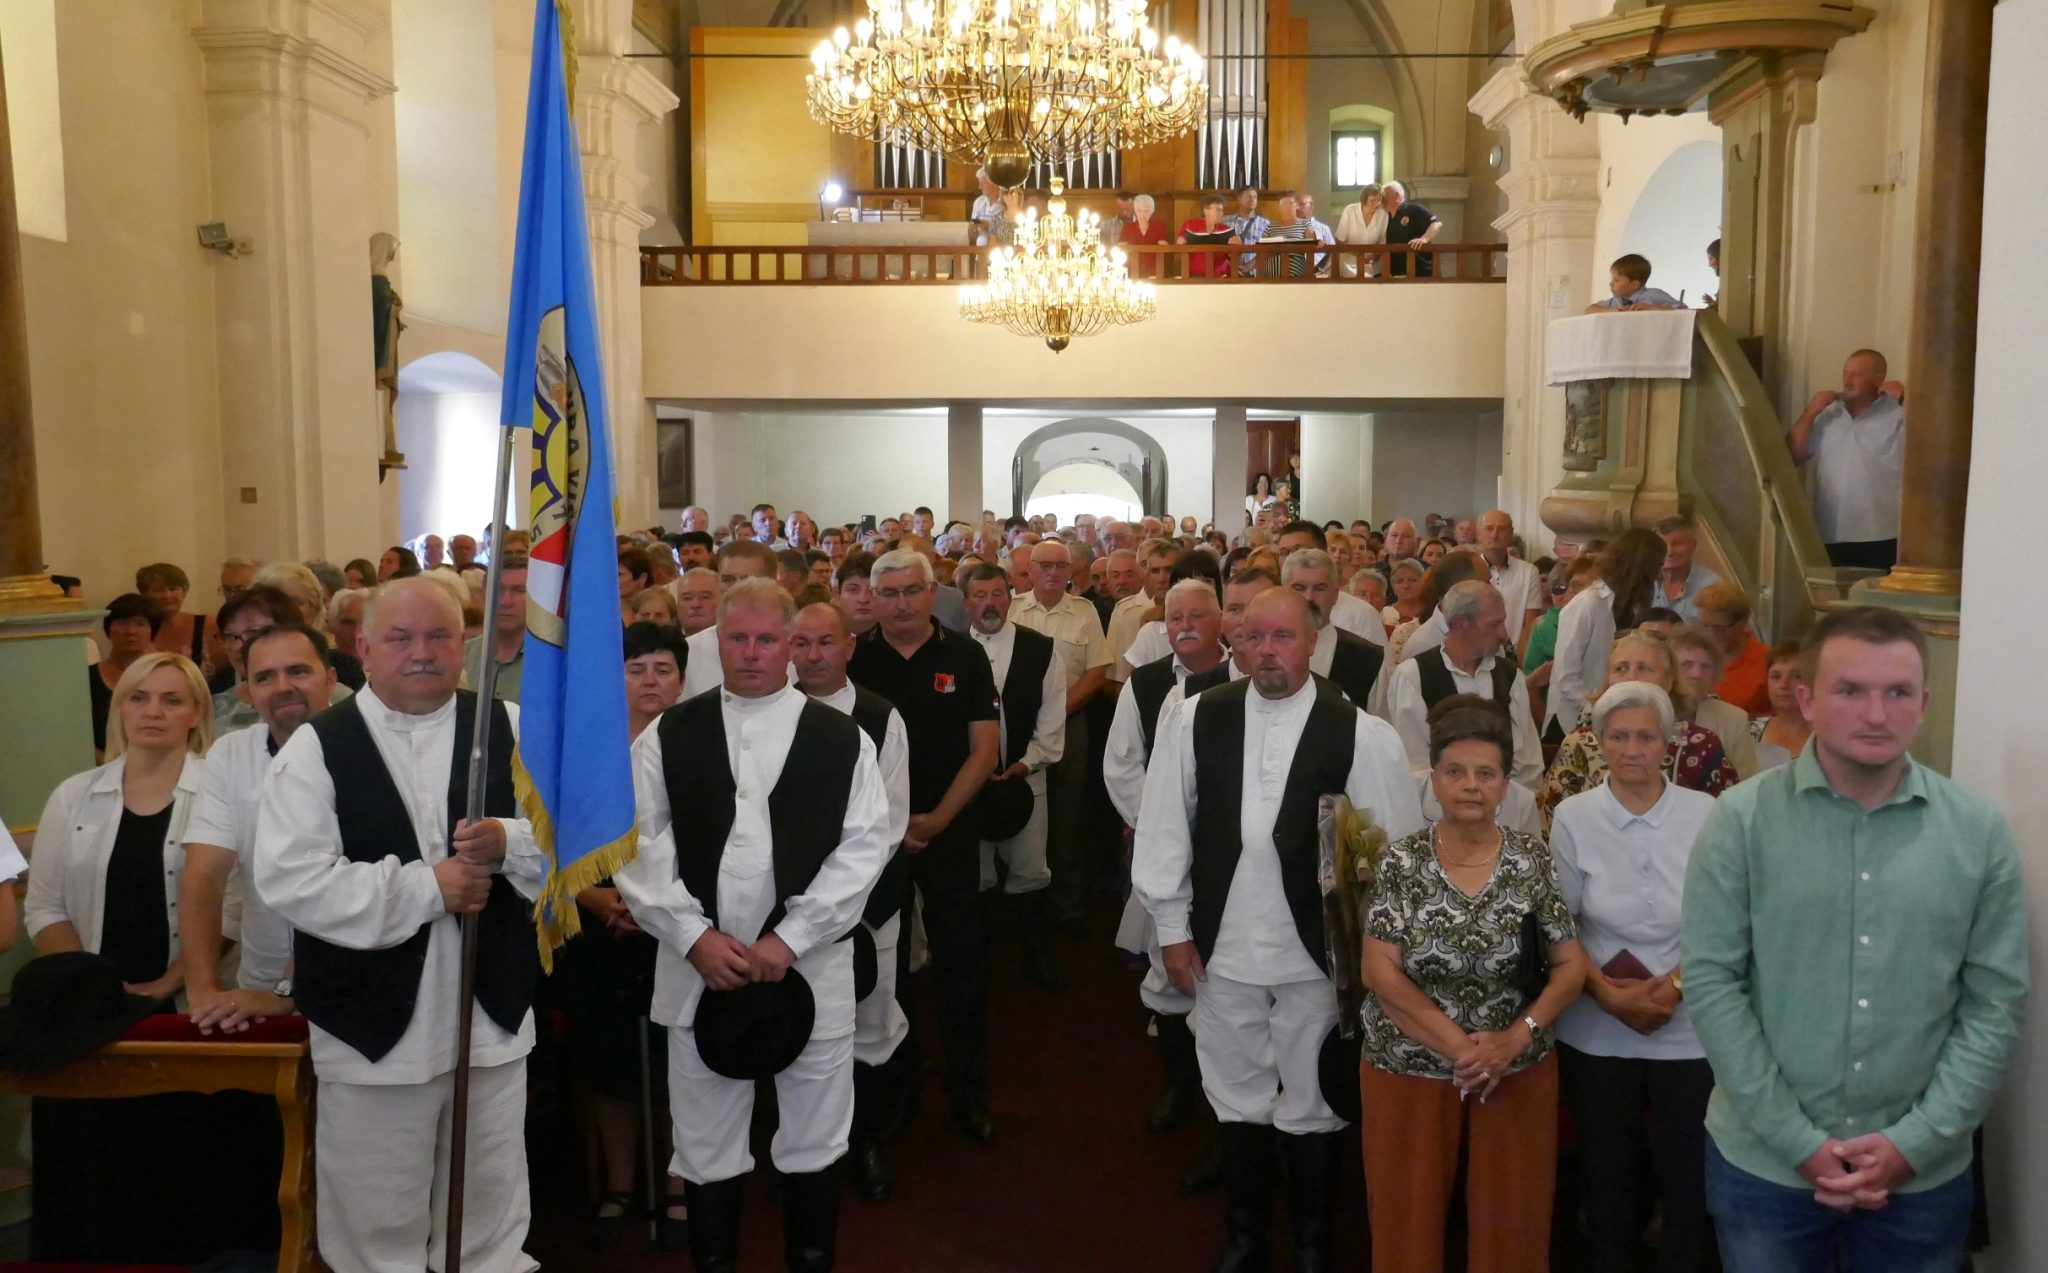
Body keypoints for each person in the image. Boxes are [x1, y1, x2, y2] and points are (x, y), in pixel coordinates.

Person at [1684, 607, 2027, 1272]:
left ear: (1924, 703)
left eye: (1898, 692)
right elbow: (1712, 983)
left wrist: (1915, 1143)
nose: (1876, 713)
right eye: (1850, 690)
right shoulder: (1741, 822)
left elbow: (1995, 1003)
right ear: (1806, 699)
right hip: (1765, 1168)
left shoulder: (1977, 832)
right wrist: (1797, 1141)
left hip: (1921, 1177)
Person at [255, 577, 544, 1273]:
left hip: (490, 1017)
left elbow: (574, 840)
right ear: (363, 649)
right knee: (375, 1224)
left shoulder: (509, 726)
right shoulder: (315, 748)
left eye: (438, 636)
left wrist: (509, 840)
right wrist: (427, 888)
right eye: (401, 638)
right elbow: (293, 878)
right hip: (371, 1027)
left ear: (463, 644)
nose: (422, 652)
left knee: (488, 1215)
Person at [1133, 587, 1423, 1270]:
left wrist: (1379, 955)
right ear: (1236, 643)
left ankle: (1314, 1244)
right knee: (1237, 1090)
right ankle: (1245, 1239)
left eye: (1283, 637)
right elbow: (1165, 825)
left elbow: (1396, 853)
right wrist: (1171, 927)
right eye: (1254, 637)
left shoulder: (1359, 731)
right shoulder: (1196, 716)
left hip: (1319, 953)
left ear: (1312, 642)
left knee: (1314, 1092)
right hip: (1222, 942)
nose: (1267, 651)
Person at [614, 580, 890, 1272]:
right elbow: (639, 844)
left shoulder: (843, 737)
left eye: (768, 639)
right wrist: (693, 936)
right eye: (738, 638)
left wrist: (791, 938)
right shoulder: (669, 734)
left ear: (790, 644)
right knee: (705, 1141)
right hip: (697, 968)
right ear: (718, 642)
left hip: (811, 967)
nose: (752, 652)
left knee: (815, 1137)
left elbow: (864, 848)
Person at [1357, 693, 1586, 1273]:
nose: (1470, 786)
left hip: (1513, 1063)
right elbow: (1378, 970)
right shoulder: (1401, 861)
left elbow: (1570, 967)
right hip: (1408, 1061)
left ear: (1506, 785)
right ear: (1434, 780)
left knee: (1514, 1220)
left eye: (1486, 774)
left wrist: (1514, 1038)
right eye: (1455, 772)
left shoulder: (1531, 860)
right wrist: (1464, 1049)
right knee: (1406, 1221)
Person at [1551, 681, 1716, 1273]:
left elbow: (1725, 921)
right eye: (1618, 736)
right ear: (1598, 742)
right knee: (1607, 1178)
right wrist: (1606, 995)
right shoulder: (1573, 817)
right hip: (1597, 1025)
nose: (1632, 749)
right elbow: (1559, 924)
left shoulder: (1706, 814)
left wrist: (1674, 987)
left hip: (1689, 1024)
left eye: (1646, 737)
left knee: (1687, 1178)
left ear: (1668, 743)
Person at [848, 549, 1003, 1142]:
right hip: (873, 841)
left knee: (961, 964)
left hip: (949, 828)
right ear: (872, 598)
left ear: (933, 592)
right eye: (888, 594)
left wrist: (935, 821)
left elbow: (984, 751)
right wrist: (892, 828)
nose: (901, 604)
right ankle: (899, 1083)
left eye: (912, 591)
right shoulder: (855, 657)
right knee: (887, 966)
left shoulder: (964, 655)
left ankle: (968, 1088)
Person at [789, 602, 913, 1204]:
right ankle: (800, 1152)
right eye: (802, 643)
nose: (813, 656)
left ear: (849, 646)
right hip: (786, 908)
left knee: (870, 1021)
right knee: (796, 1023)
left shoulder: (879, 717)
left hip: (866, 904)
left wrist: (836, 894)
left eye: (825, 642)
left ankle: (866, 1141)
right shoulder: (769, 712)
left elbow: (888, 823)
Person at [180, 624, 337, 1037]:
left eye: (298, 671)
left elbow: (343, 887)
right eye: (265, 677)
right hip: (258, 986)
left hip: (351, 986)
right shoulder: (231, 754)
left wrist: (287, 991)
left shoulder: (366, 749)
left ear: (330, 679)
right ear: (247, 692)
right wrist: (203, 992)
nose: (282, 686)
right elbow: (203, 876)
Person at [30, 651, 214, 997]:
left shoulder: (219, 793)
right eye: (138, 698)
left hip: (196, 1000)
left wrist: (165, 986)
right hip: (93, 999)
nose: (153, 712)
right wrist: (93, 983)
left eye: (172, 701)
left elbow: (234, 908)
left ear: (197, 712)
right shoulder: (73, 795)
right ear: (120, 708)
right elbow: (44, 907)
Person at [960, 564, 1068, 988]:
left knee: (1030, 869)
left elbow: (1052, 716)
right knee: (976, 873)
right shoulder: (951, 650)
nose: (989, 603)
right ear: (966, 603)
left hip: (1026, 778)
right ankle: (980, 961)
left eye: (997, 594)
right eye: (980, 595)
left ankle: (1037, 958)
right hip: (967, 786)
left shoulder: (1040, 649)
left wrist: (1028, 762)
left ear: (1010, 598)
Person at [1007, 540, 1110, 937]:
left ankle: (1066, 906)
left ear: (1071, 571)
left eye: (1060, 566)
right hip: (1018, 726)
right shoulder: (1012, 608)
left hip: (1071, 721)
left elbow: (1097, 670)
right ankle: (1021, 907)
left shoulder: (1084, 611)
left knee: (1067, 815)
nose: (1053, 572)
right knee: (1020, 811)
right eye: (1045, 565)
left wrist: (1056, 712)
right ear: (1030, 570)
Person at [1539, 630, 1740, 826]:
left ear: (1668, 681)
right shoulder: (1578, 744)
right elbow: (1551, 821)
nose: (1631, 677)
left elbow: (1728, 823)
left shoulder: (1702, 745)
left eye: (1644, 668)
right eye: (1621, 668)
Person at [1386, 581, 1543, 789]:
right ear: (1460, 624)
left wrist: (1504, 802)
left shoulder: (1509, 676)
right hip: (1437, 804)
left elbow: (1527, 765)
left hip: (1503, 803)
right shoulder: (1413, 676)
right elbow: (1415, 766)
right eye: (1494, 624)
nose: (1504, 634)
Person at [1787, 349, 1908, 571]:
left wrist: (1905, 398)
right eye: (1845, 373)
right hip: (1829, 531)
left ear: (1879, 378)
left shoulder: (1898, 415)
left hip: (1880, 533)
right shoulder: (1827, 415)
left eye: (1857, 374)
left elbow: (1935, 440)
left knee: (1876, 594)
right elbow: (1792, 456)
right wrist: (1811, 411)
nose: (1847, 381)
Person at [1546, 527, 1666, 739]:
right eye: (1658, 565)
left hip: (1610, 716)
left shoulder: (1631, 605)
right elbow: (1566, 675)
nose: (1660, 573)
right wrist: (1598, 708)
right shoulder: (1587, 603)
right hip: (1572, 719)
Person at [1281, 548, 1385, 710]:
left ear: (1335, 595)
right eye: (1299, 588)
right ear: (1282, 593)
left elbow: (1380, 721)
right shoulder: (1262, 649)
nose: (1309, 597)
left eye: (1319, 588)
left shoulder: (1368, 659)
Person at [1667, 622, 1763, 781]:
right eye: (1686, 664)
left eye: (1706, 666)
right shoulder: (1651, 712)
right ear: (1668, 670)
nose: (1697, 674)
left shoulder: (1733, 719)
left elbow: (1749, 783)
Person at [90, 594, 161, 759]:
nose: (130, 631)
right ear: (108, 629)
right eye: (122, 623)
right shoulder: (85, 678)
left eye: (140, 624)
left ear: (152, 631)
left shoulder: (167, 677)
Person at [1692, 583, 1772, 715]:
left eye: (1720, 628)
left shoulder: (1766, 661)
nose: (1711, 635)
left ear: (1742, 623)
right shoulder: (1691, 655)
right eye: (1705, 626)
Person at [462, 552, 529, 704]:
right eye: (498, 589)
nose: (506, 601)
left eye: (519, 590)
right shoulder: (462, 655)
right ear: (484, 595)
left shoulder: (550, 662)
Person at [1477, 509, 1545, 653]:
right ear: (1478, 534)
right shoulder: (1469, 570)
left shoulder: (1528, 572)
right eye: (1489, 528)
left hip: (1514, 653)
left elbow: (1530, 624)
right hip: (1477, 652)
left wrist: (1518, 659)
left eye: (1501, 529)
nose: (1495, 534)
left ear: (1511, 534)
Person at [1748, 637, 1810, 769]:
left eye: (1797, 676)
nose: (1783, 684)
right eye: (1776, 677)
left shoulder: (1827, 736)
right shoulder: (1749, 730)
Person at [136, 563, 212, 669]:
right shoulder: (135, 630)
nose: (167, 595)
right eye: (159, 590)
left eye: (173, 589)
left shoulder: (208, 625)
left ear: (184, 592)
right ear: (144, 595)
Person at [1654, 515, 1721, 622]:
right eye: (1662, 544)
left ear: (1693, 545)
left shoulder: (1712, 586)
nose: (1670, 552)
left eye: (1677, 544)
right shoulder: (1644, 582)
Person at [1585, 253, 1685, 311]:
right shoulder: (1616, 301)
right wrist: (1613, 310)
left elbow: (1683, 311)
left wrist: (1652, 308)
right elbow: (1589, 309)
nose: (1611, 284)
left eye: (1616, 280)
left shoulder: (1653, 295)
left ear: (1634, 285)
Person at [1382, 180, 1441, 278]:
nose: (1382, 200)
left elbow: (1436, 224)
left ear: (1397, 195)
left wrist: (1424, 239)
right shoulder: (1385, 216)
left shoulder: (1414, 209)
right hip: (1396, 273)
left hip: (1420, 272)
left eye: (1384, 196)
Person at [1179, 193, 1239, 278]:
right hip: (1193, 276)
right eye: (1218, 210)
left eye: (1222, 210)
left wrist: (1237, 246)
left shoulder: (1227, 230)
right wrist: (1181, 240)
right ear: (1205, 211)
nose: (1221, 213)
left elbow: (1233, 256)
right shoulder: (1190, 225)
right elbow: (1180, 241)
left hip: (1220, 277)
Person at [1336, 182, 1386, 277]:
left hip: (1371, 265)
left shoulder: (1383, 214)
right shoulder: (1350, 210)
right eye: (1372, 200)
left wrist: (1374, 255)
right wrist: (1359, 255)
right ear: (1364, 199)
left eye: (1379, 200)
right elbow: (1340, 240)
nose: (1376, 204)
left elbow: (1382, 243)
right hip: (1348, 264)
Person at [1227, 185, 1270, 275]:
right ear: (1239, 199)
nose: (1252, 200)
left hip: (1256, 274)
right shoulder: (1226, 222)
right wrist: (1233, 266)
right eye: (1249, 197)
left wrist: (1249, 266)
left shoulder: (1265, 224)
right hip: (1231, 272)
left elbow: (1268, 250)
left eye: (1255, 197)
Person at [1123, 193, 1169, 277]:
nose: (1142, 215)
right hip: (1132, 272)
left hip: (1154, 272)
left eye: (1146, 211)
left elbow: (1164, 245)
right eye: (1139, 211)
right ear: (1135, 211)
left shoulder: (1159, 227)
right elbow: (1121, 247)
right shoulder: (1127, 228)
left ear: (1152, 211)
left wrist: (1163, 244)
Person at [1383, 557, 1427, 630]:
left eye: (1412, 580)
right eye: (1399, 581)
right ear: (1393, 587)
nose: (1406, 586)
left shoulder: (1432, 612)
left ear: (1424, 582)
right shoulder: (1383, 615)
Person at [969, 167, 1005, 246]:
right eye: (979, 183)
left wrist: (989, 226)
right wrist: (973, 230)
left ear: (994, 183)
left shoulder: (1006, 202)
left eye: (983, 183)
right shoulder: (979, 202)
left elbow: (1010, 232)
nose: (979, 187)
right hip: (979, 250)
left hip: (1000, 249)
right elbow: (972, 237)